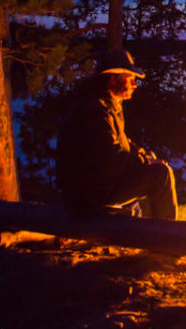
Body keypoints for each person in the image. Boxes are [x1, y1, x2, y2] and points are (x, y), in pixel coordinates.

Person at [56, 50, 178, 220]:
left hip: (95, 186)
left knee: (151, 162)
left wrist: (145, 157)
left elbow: (122, 143)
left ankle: (148, 230)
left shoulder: (106, 103)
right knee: (161, 174)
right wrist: (147, 162)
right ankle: (167, 239)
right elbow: (111, 160)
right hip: (89, 194)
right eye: (131, 79)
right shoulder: (95, 110)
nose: (135, 85)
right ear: (113, 79)